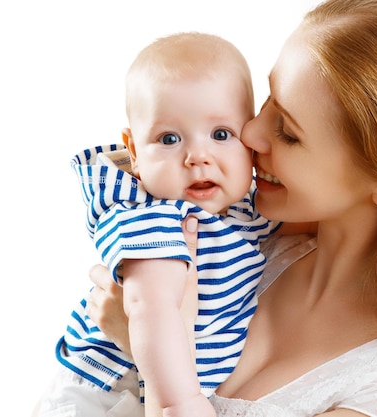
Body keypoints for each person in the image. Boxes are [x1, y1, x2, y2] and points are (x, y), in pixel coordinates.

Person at [86, 0, 377, 416]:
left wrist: (145, 343)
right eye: (267, 99)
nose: (251, 134)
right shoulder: (249, 236)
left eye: (289, 133)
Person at [34, 32, 281, 417]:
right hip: (111, 393)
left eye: (221, 134)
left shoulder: (246, 207)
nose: (198, 156)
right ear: (133, 151)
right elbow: (151, 309)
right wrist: (180, 403)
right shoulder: (155, 218)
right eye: (169, 138)